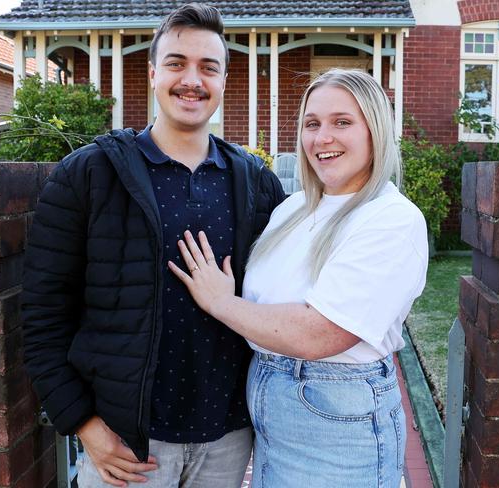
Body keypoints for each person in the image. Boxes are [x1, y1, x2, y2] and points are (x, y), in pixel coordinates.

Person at [21, 3, 284, 487]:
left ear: (225, 79)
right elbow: (42, 314)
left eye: (209, 67)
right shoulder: (89, 176)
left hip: (227, 440)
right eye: (177, 63)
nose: (193, 80)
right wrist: (83, 424)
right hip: (126, 444)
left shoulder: (256, 185)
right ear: (152, 74)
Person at [169, 68, 429, 488]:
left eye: (342, 122)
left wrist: (219, 301)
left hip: (337, 422)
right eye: (312, 124)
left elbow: (320, 333)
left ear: (375, 131)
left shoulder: (391, 219)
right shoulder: (293, 210)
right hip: (271, 411)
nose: (322, 138)